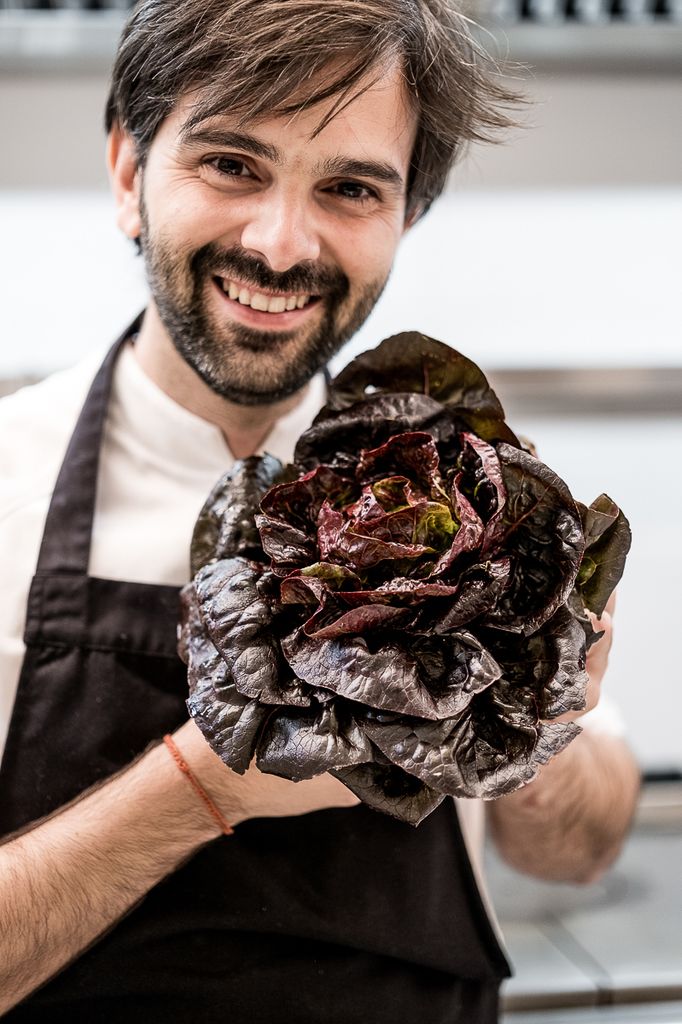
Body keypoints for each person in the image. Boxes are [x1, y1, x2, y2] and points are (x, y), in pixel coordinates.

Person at [0, 0, 640, 1020]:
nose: (281, 243)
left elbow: (583, 849)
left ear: (406, 217)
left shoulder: (467, 501)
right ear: (129, 174)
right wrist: (202, 787)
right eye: (231, 165)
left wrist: (531, 726)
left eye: (348, 187)